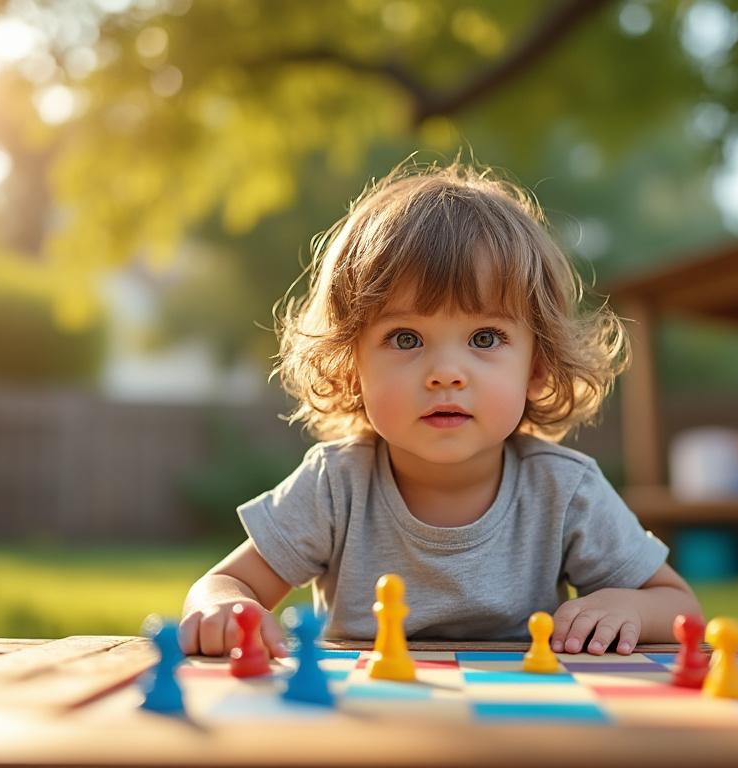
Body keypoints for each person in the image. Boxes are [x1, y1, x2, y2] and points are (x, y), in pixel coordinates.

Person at [180, 159, 701, 659]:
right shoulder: (336, 486)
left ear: (538, 367)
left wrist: (627, 606)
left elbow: (679, 606)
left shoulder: (564, 491)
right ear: (351, 367)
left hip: (521, 713)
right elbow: (225, 583)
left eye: (485, 337)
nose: (446, 373)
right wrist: (224, 607)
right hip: (372, 712)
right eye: (406, 338)